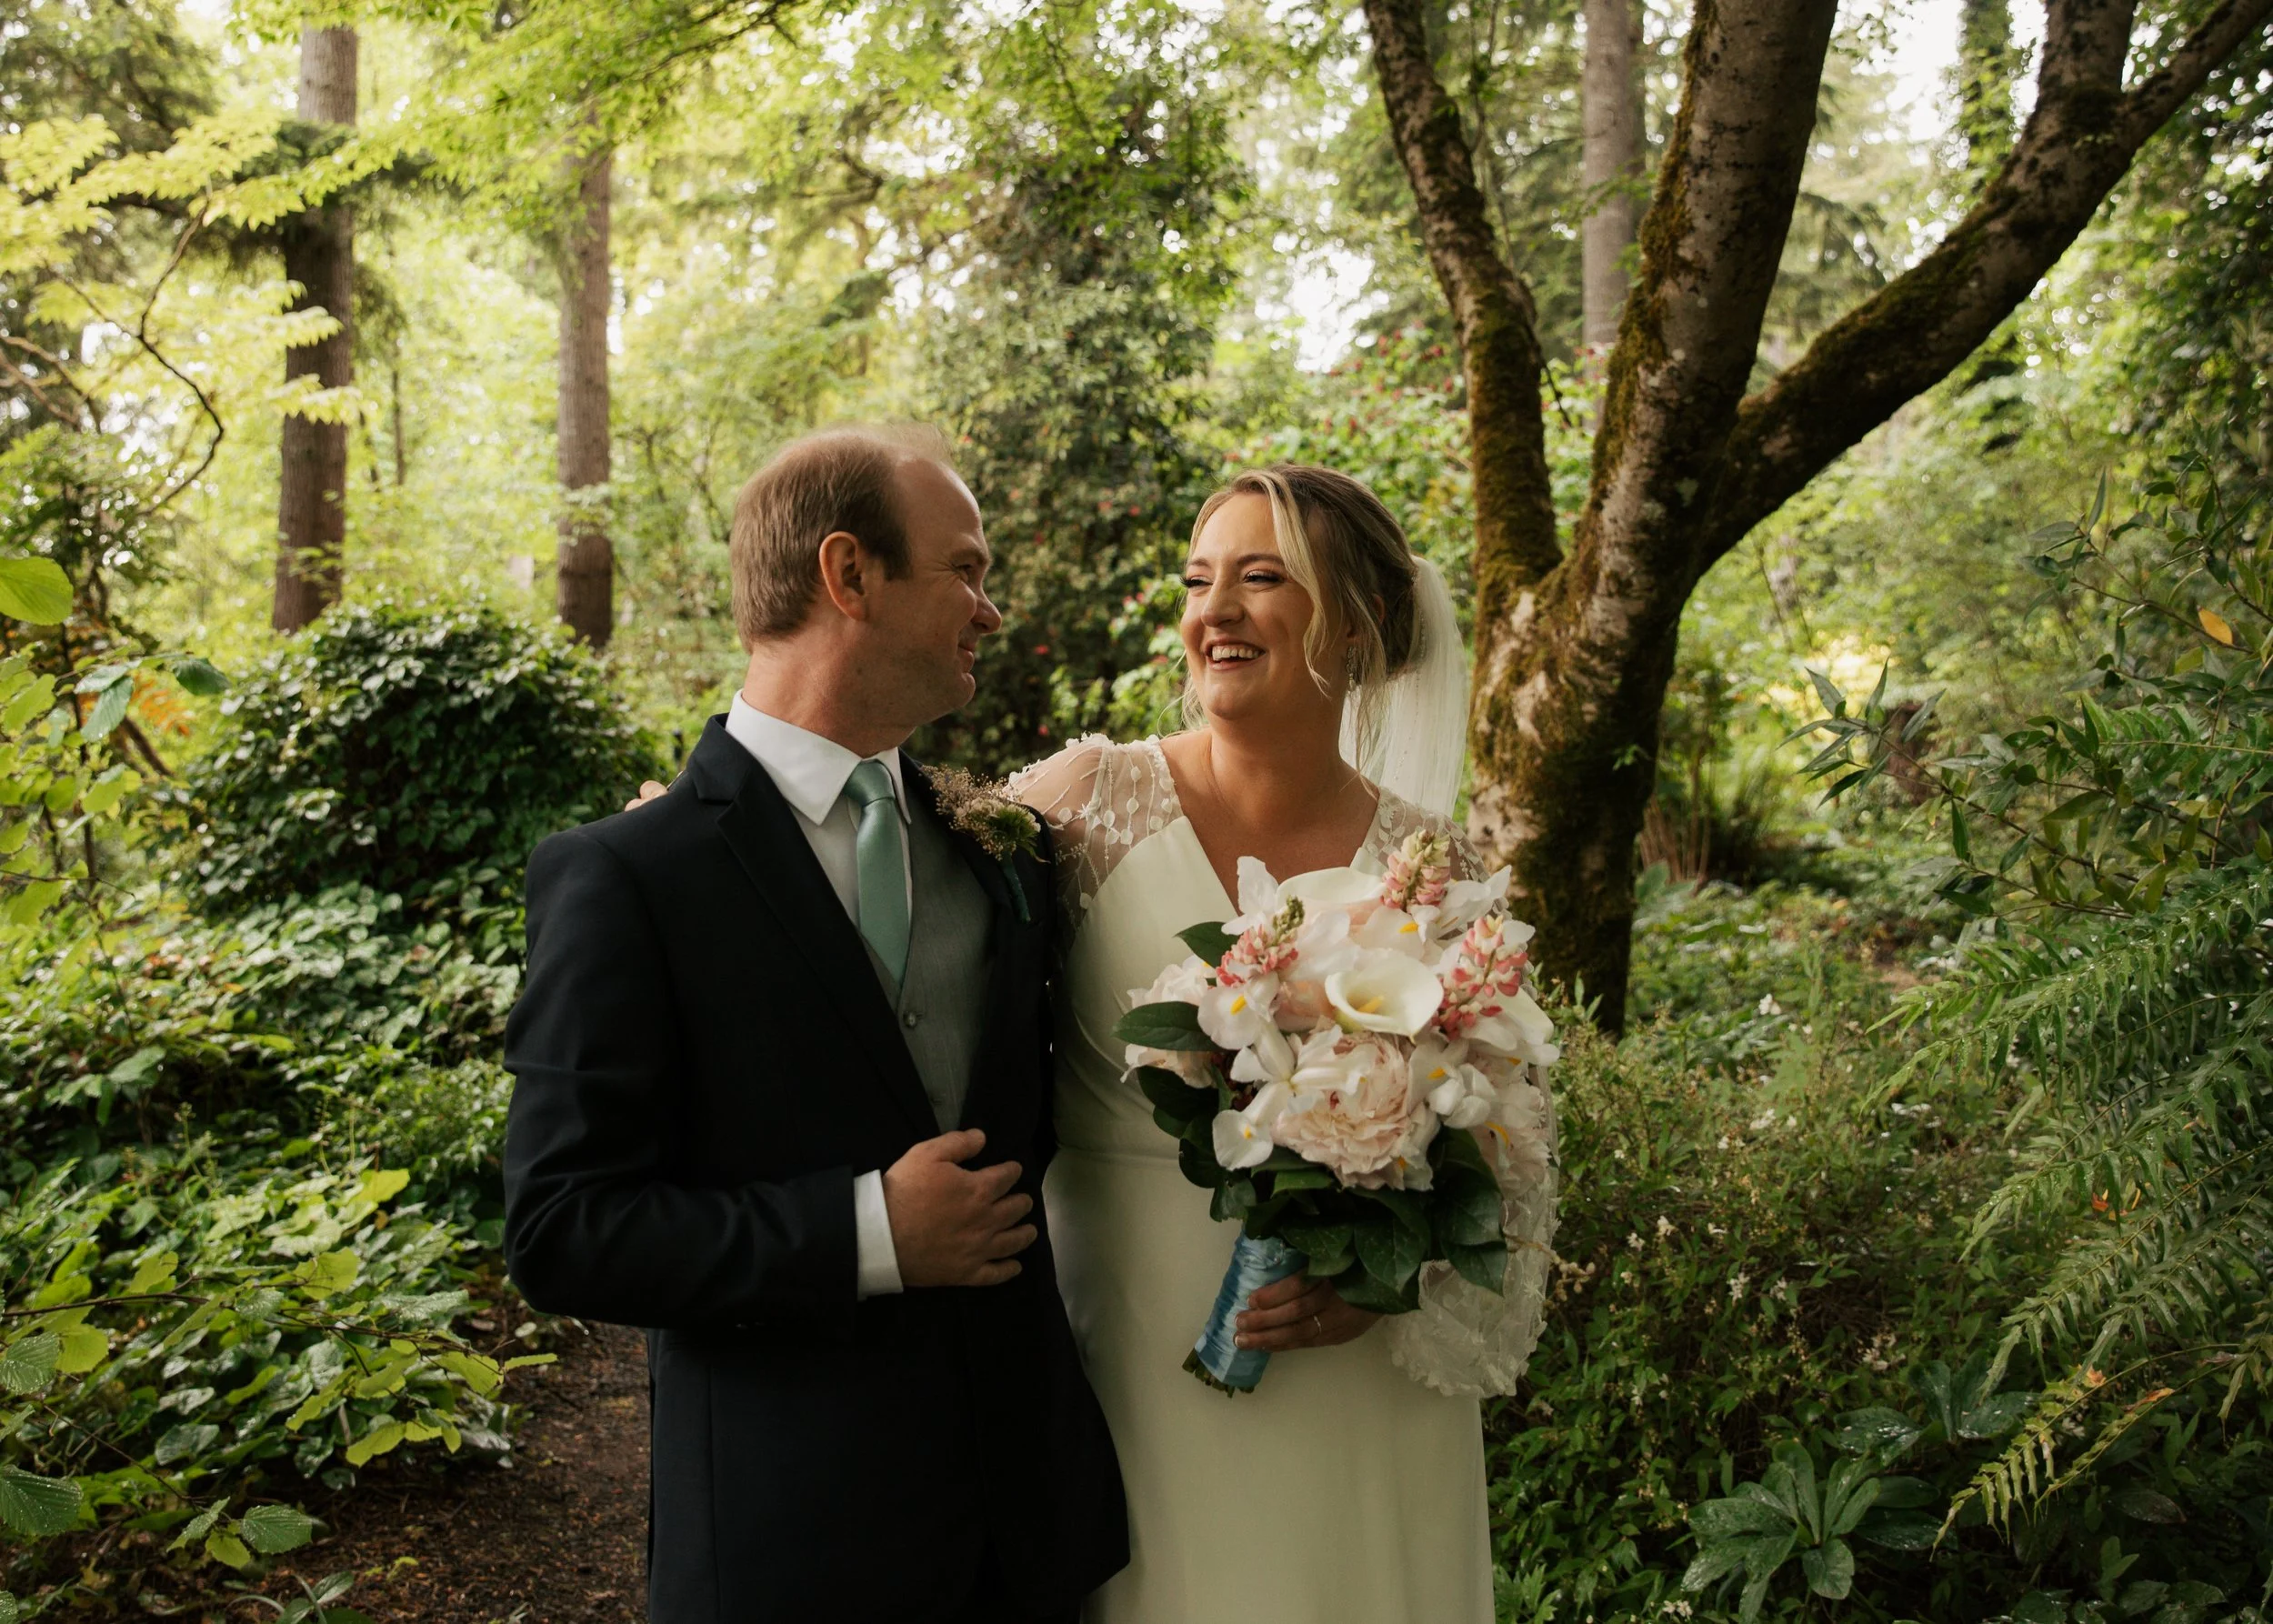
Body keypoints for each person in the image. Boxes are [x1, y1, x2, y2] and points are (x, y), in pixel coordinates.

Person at [501, 426, 1126, 1624]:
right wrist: (866, 1233)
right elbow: (562, 1224)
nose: (990, 610)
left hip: (1029, 1538)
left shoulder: (1008, 858)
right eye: (966, 568)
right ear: (849, 576)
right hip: (788, 1546)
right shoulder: (627, 876)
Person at [1007, 466, 1557, 1624]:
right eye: (1200, 580)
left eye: (1263, 579)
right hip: (1129, 1347)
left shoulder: (1433, 869)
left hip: (1354, 1371)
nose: (1214, 611)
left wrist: (1392, 1281)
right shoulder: (1085, 803)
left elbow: (1507, 1151)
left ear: (1354, 625)